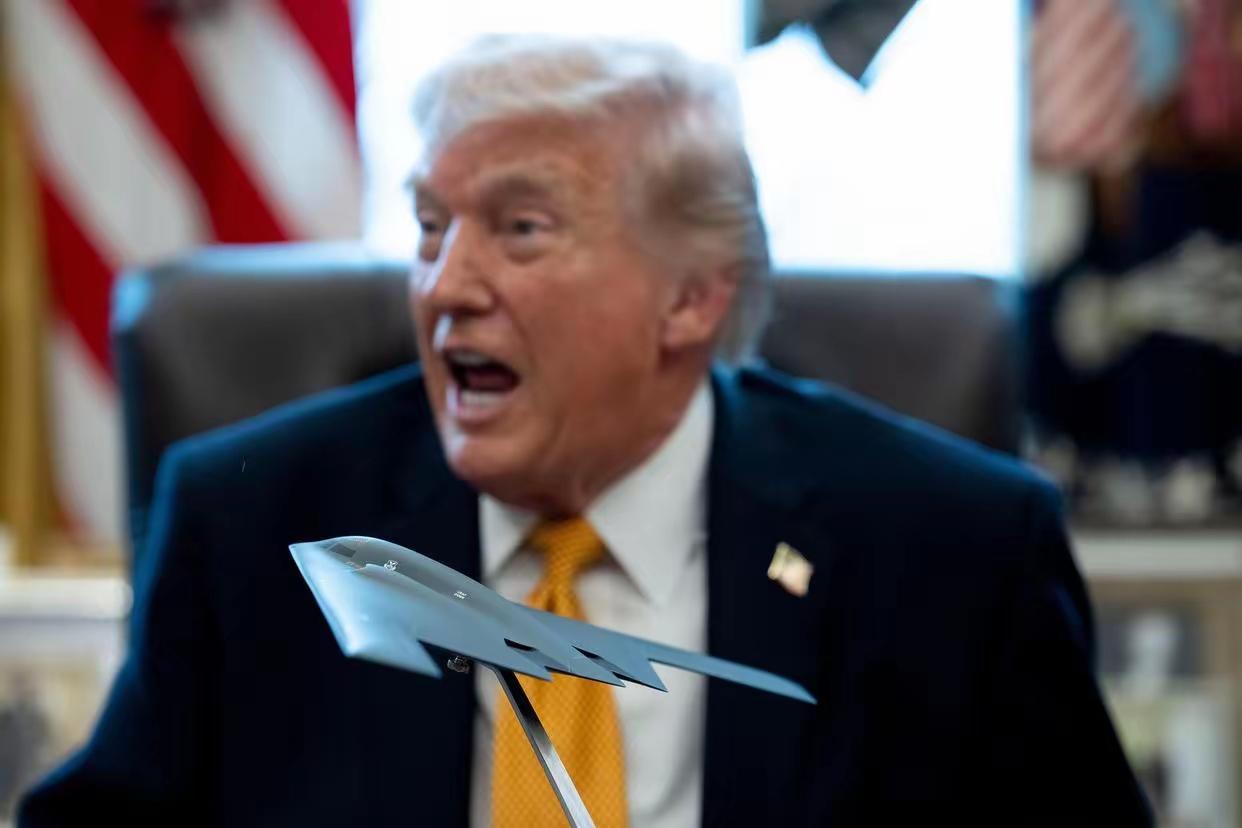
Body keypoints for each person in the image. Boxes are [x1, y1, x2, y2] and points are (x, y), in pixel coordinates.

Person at [20, 35, 1150, 827]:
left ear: (690, 297)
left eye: (520, 229)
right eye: (430, 226)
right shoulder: (259, 527)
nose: (444, 284)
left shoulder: (949, 553)